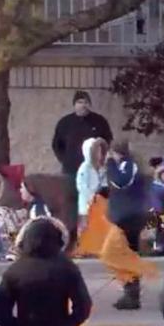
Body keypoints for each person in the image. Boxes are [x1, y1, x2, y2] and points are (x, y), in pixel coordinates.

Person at [51, 91, 113, 244]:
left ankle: (97, 238)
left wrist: (100, 160)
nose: (82, 105)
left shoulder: (99, 121)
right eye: (79, 102)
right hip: (71, 171)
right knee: (72, 204)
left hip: (95, 172)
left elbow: (106, 140)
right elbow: (57, 145)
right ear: (74, 105)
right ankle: (71, 239)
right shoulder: (65, 123)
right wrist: (65, 159)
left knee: (95, 204)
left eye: (85, 102)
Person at [105, 140, 152, 310]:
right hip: (125, 216)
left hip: (129, 217)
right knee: (125, 254)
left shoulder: (128, 166)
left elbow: (120, 182)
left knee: (123, 254)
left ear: (117, 153)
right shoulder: (125, 166)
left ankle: (132, 293)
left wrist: (110, 164)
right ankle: (130, 292)